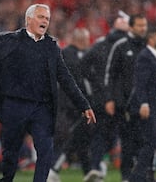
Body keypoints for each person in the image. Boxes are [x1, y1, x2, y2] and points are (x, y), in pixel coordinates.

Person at [0, 0, 96, 182]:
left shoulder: (51, 47)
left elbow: (66, 78)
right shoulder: (12, 40)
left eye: (47, 18)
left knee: (46, 149)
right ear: (29, 19)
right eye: (41, 17)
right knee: (11, 152)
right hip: (15, 105)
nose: (45, 21)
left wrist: (84, 104)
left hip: (41, 108)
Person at [80, 16, 129, 182]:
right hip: (122, 98)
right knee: (125, 136)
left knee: (100, 135)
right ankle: (127, 173)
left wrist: (96, 83)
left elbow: (83, 65)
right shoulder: (126, 47)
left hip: (100, 97)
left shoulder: (100, 45)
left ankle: (96, 165)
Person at [104, 14, 148, 182]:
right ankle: (126, 176)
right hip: (125, 104)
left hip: (147, 103)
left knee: (146, 141)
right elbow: (110, 74)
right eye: (139, 25)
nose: (143, 29)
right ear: (131, 27)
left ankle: (143, 174)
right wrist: (109, 98)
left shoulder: (149, 46)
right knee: (128, 143)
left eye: (144, 25)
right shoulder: (121, 46)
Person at [47, 28, 93, 182]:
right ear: (80, 40)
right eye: (86, 39)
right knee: (73, 137)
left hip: (68, 102)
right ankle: (54, 169)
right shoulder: (71, 55)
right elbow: (77, 81)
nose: (88, 43)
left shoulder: (67, 54)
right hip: (71, 104)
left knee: (80, 139)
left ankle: (88, 172)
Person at [127, 27, 156, 182]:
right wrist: (143, 103)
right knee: (152, 140)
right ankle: (136, 177)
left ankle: (146, 176)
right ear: (151, 39)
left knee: (148, 141)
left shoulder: (155, 57)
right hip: (147, 105)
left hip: (154, 105)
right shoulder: (145, 57)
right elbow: (140, 83)